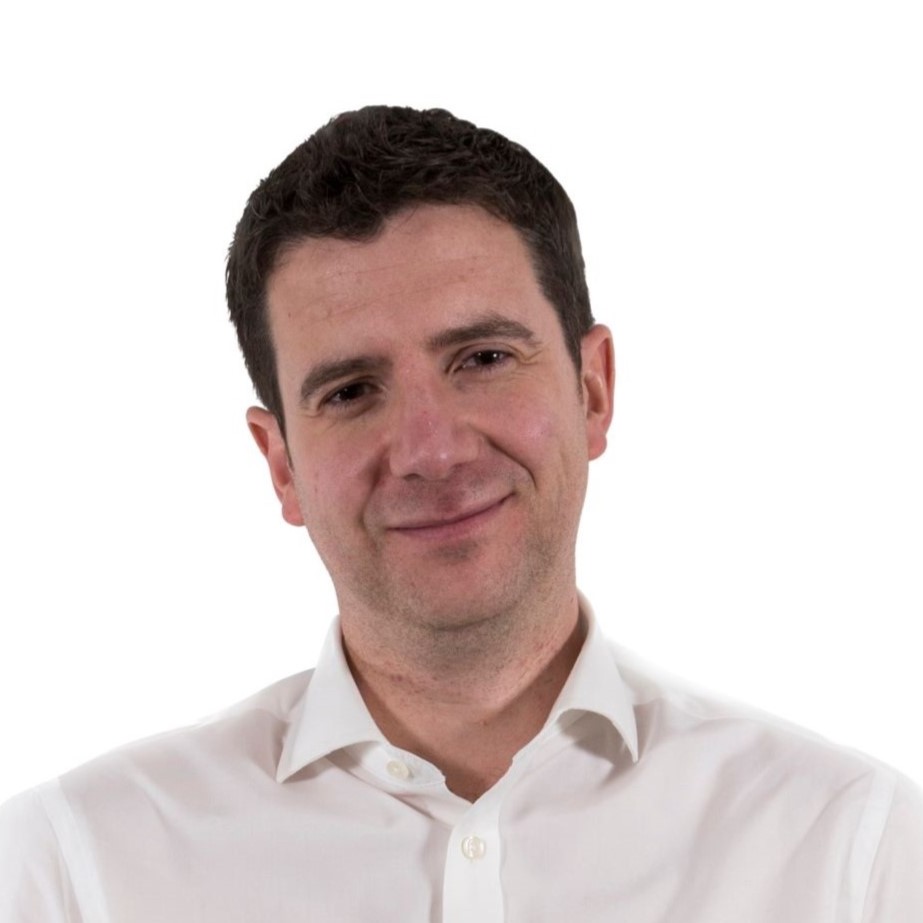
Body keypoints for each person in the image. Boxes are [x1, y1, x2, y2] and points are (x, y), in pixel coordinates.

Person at [1, 105, 920, 921]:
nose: (431, 450)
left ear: (592, 390)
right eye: (352, 390)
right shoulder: (73, 871)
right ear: (280, 463)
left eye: (481, 357)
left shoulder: (851, 852)